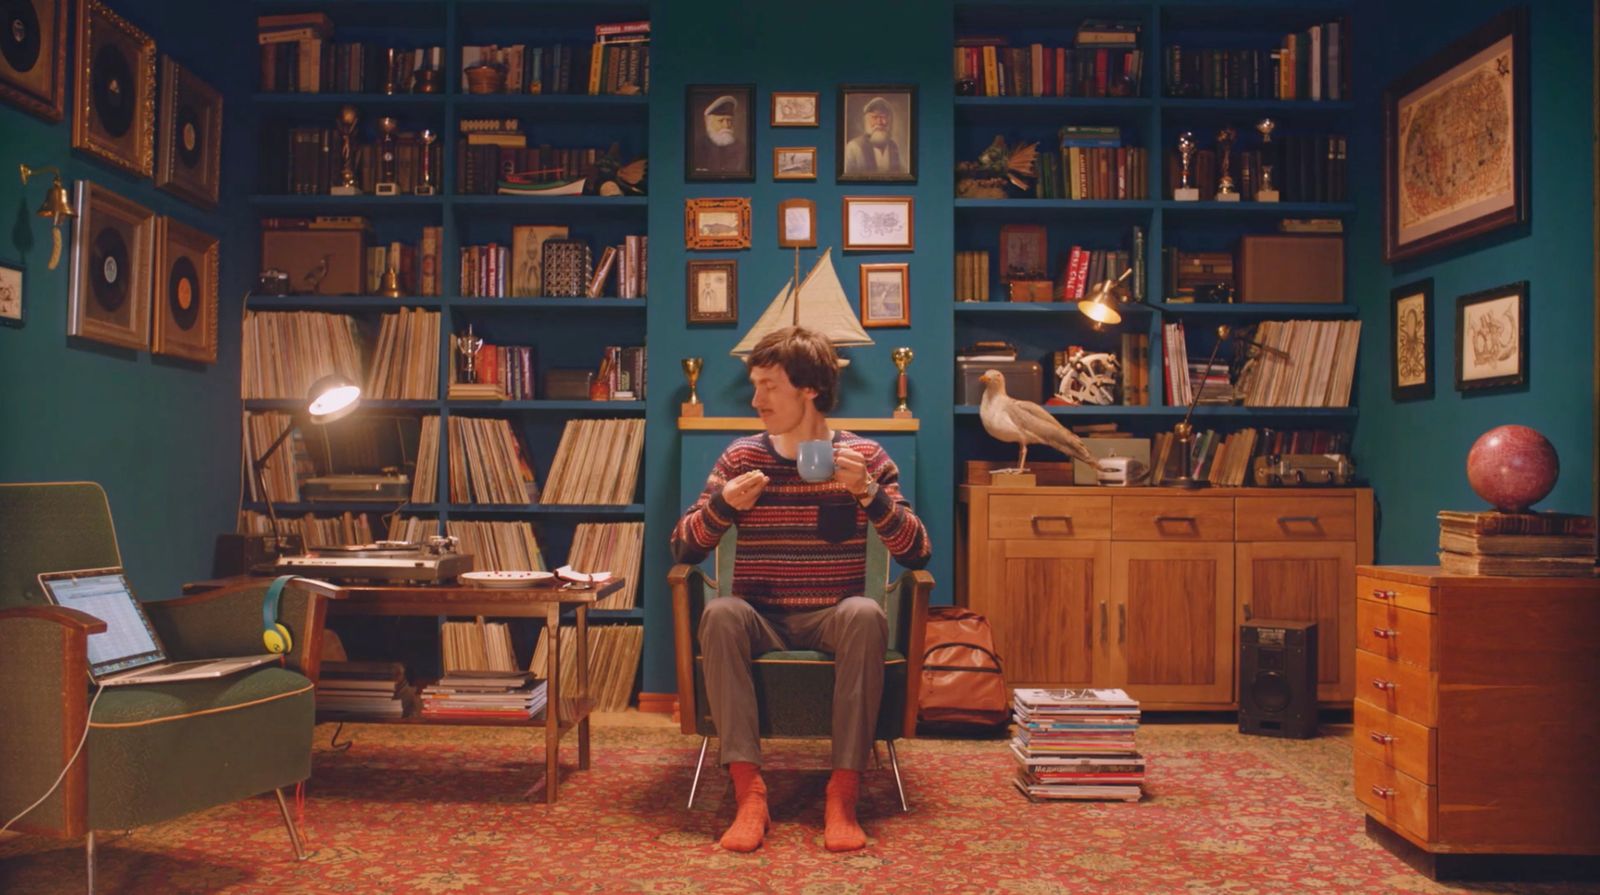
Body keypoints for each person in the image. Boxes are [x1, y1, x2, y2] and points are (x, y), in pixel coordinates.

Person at [670, 326, 932, 854]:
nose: (756, 399)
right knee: (720, 613)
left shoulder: (866, 457)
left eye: (769, 385)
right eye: (755, 385)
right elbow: (683, 548)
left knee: (864, 613)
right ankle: (750, 794)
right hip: (758, 616)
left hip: (831, 615)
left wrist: (868, 493)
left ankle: (842, 795)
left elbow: (917, 552)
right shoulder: (742, 457)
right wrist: (724, 508)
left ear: (809, 388)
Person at [842, 96, 904, 176]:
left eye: (883, 117)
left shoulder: (893, 147)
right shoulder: (853, 148)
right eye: (874, 117)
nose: (879, 122)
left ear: (890, 120)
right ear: (865, 121)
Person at [691, 94, 745, 175]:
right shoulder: (698, 147)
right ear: (708, 122)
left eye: (729, 120)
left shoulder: (741, 147)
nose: (726, 125)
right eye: (721, 121)